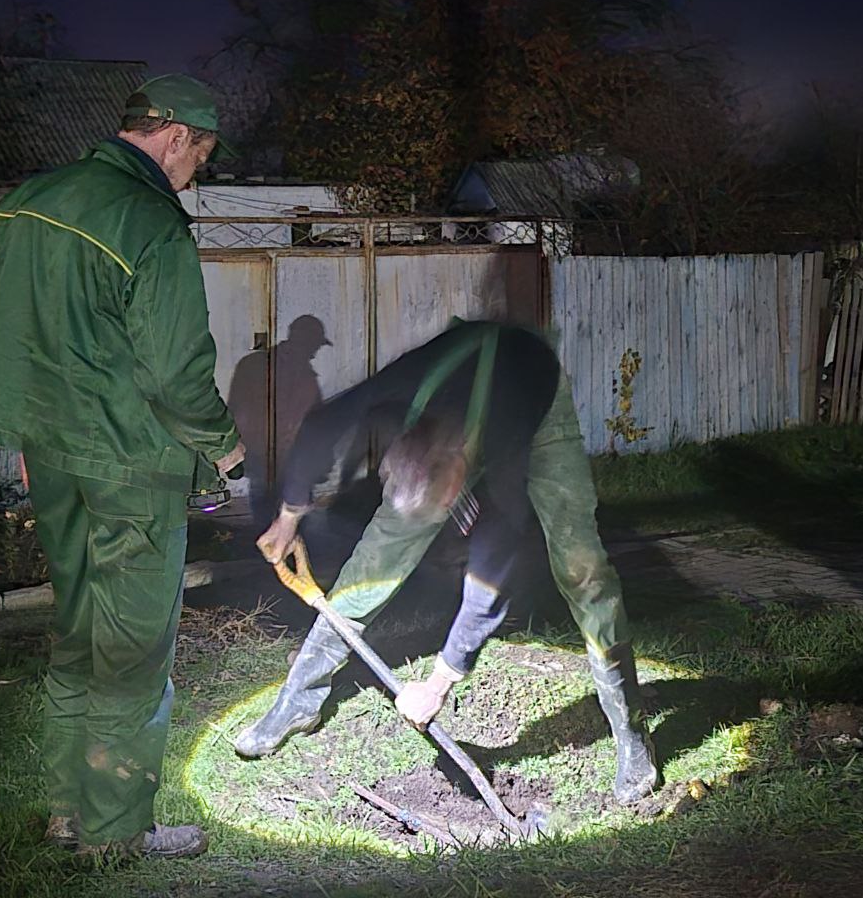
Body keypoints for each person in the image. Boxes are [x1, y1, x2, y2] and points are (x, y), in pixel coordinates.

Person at [0, 74, 245, 858]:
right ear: (177, 134)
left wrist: (19, 433)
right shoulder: (150, 219)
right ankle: (117, 832)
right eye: (202, 155)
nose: (198, 173)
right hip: (128, 466)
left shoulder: (30, 199)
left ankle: (65, 812)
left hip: (51, 458)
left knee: (78, 632)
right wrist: (225, 445)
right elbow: (174, 373)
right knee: (131, 651)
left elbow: (11, 331)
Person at [236, 320, 659, 805]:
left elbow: (492, 570)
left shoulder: (505, 449)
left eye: (446, 505)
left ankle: (631, 733)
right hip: (462, 384)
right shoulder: (404, 394)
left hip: (537, 398)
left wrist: (440, 681)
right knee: (379, 552)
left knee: (581, 568)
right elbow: (319, 427)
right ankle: (298, 702)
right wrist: (289, 517)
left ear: (461, 477)